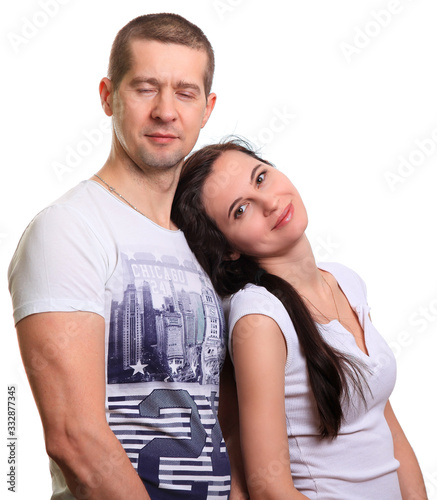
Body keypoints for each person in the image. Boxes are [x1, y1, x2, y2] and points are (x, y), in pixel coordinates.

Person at [7, 13, 238, 500]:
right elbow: (76, 440)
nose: (165, 111)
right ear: (108, 96)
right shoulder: (69, 229)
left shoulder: (202, 243)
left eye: (185, 92)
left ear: (207, 107)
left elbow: (224, 420)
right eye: (145, 88)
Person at [171, 139, 429, 500]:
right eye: (241, 210)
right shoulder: (260, 319)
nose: (271, 203)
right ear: (228, 248)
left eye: (260, 178)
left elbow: (387, 428)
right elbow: (268, 488)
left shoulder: (345, 280)